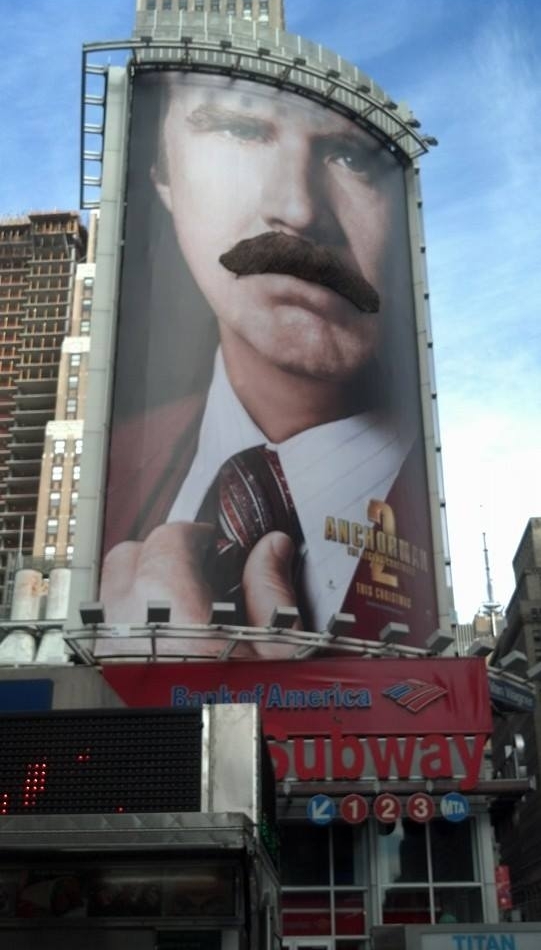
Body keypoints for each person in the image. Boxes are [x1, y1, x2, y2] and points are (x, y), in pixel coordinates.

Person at [100, 72, 437, 654]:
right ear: (164, 179)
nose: (298, 210)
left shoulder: (428, 518)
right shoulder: (118, 465)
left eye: (352, 158)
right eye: (239, 128)